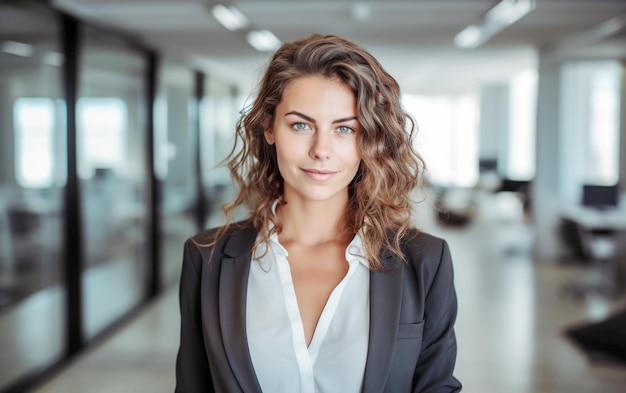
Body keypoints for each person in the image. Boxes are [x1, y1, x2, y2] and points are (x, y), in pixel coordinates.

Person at [175, 33, 462, 393]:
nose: (321, 150)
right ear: (269, 127)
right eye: (301, 125)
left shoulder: (424, 260)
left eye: (344, 128)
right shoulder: (208, 258)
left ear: (368, 138)